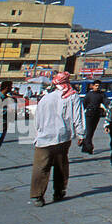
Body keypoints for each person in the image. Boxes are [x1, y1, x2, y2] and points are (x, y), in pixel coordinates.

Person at [29, 73, 85, 206]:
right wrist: (81, 134)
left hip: (43, 138)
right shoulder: (72, 97)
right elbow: (78, 117)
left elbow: (37, 119)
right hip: (62, 137)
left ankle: (37, 196)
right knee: (61, 165)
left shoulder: (45, 98)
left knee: (40, 167)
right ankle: (59, 191)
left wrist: (38, 133)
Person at [80, 79, 106, 154]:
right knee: (89, 131)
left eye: (99, 86)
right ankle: (89, 147)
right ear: (93, 86)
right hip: (89, 114)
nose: (97, 87)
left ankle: (85, 146)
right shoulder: (89, 94)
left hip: (96, 114)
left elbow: (106, 101)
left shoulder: (101, 94)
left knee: (91, 131)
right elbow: (84, 104)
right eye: (96, 86)